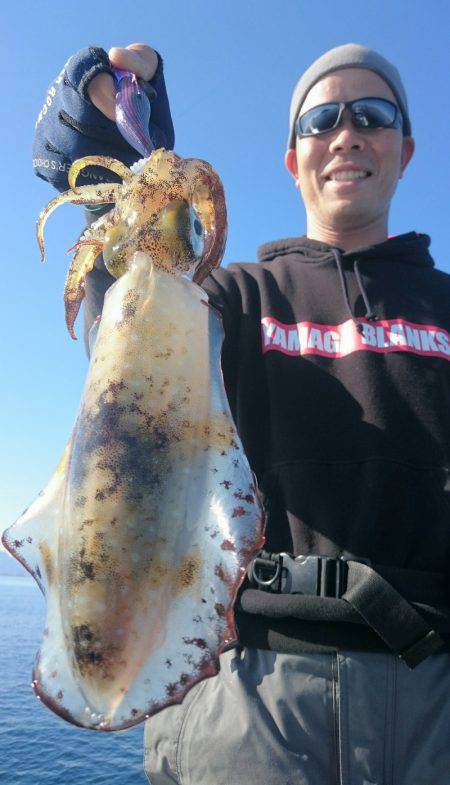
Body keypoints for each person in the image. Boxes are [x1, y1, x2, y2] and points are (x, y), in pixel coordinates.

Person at [33, 42, 450, 784]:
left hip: (437, 695)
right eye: (322, 120)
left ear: (405, 149)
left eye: (372, 115)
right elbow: (126, 331)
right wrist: (107, 161)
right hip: (247, 702)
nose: (347, 134)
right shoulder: (226, 299)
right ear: (293, 158)